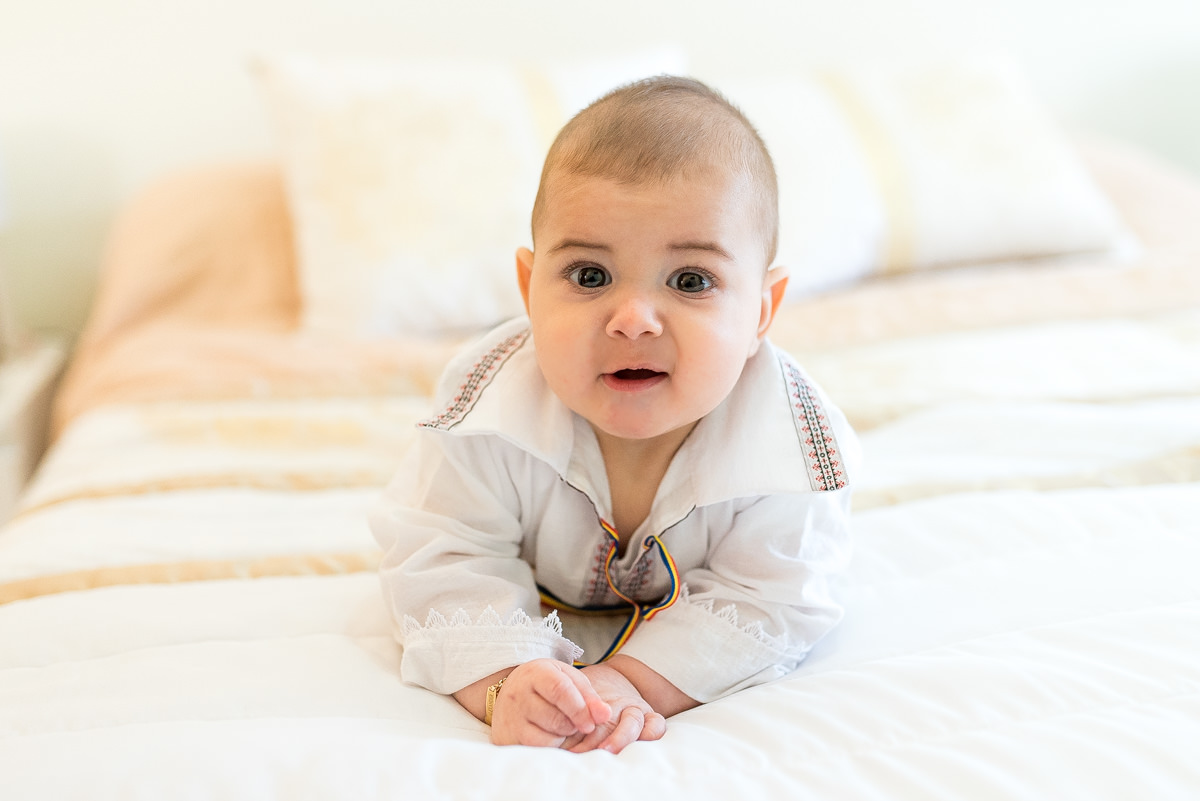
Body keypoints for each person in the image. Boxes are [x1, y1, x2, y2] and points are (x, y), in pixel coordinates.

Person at [370, 75, 857, 754]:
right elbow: (441, 553)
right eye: (590, 276)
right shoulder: (485, 411)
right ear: (529, 290)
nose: (633, 319)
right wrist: (504, 678)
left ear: (761, 312)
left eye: (691, 281)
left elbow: (778, 594)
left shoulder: (791, 445)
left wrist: (633, 679)